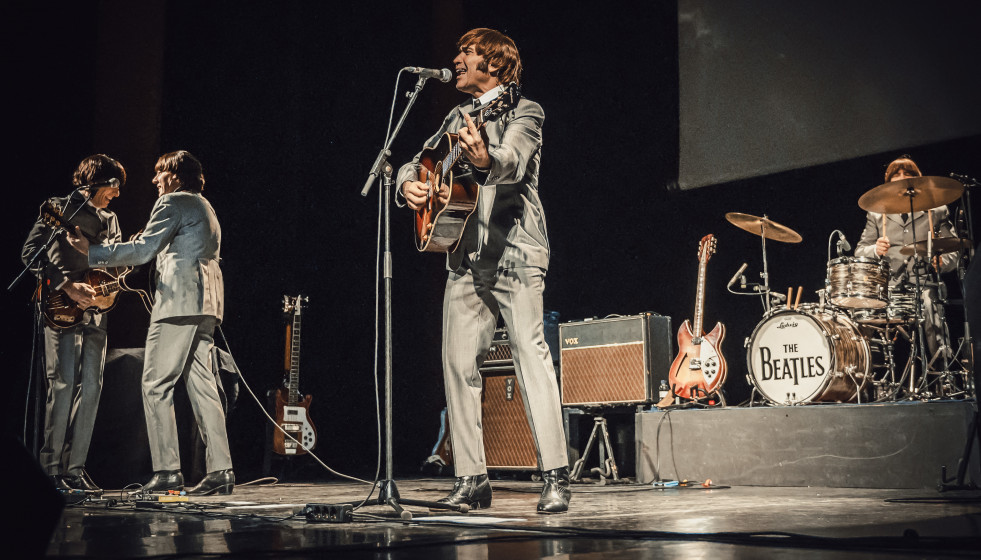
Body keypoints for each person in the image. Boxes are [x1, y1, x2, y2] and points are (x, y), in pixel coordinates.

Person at [398, 28, 570, 513]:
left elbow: (512, 162)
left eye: (466, 53)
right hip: (464, 258)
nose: (455, 59)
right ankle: (472, 479)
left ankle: (556, 474)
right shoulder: (456, 116)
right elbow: (417, 162)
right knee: (457, 366)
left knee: (530, 356)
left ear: (493, 64)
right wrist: (410, 185)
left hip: (516, 253)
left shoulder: (525, 112)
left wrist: (483, 157)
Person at [66, 150, 234, 495]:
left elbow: (144, 250)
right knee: (203, 386)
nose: (155, 180)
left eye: (160, 173)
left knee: (156, 384)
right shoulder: (205, 206)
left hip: (178, 305)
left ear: (175, 174)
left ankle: (168, 470)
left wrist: (91, 253)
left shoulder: (172, 201)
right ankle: (221, 470)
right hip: (207, 304)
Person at [21, 154, 126, 493]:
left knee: (91, 388)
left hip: (96, 311)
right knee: (63, 385)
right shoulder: (58, 208)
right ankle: (50, 470)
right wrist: (66, 284)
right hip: (60, 308)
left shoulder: (110, 219)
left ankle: (74, 469)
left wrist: (110, 279)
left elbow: (117, 260)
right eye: (112, 186)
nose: (116, 194)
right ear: (94, 182)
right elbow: (30, 252)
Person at [854, 156, 959, 368]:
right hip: (888, 288)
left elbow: (954, 250)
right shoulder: (877, 213)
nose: (902, 179)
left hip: (925, 285)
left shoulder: (936, 210)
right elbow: (860, 251)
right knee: (861, 311)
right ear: (888, 182)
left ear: (917, 180)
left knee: (930, 305)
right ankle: (868, 375)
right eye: (896, 175)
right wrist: (875, 249)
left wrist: (941, 261)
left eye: (908, 175)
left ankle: (942, 372)